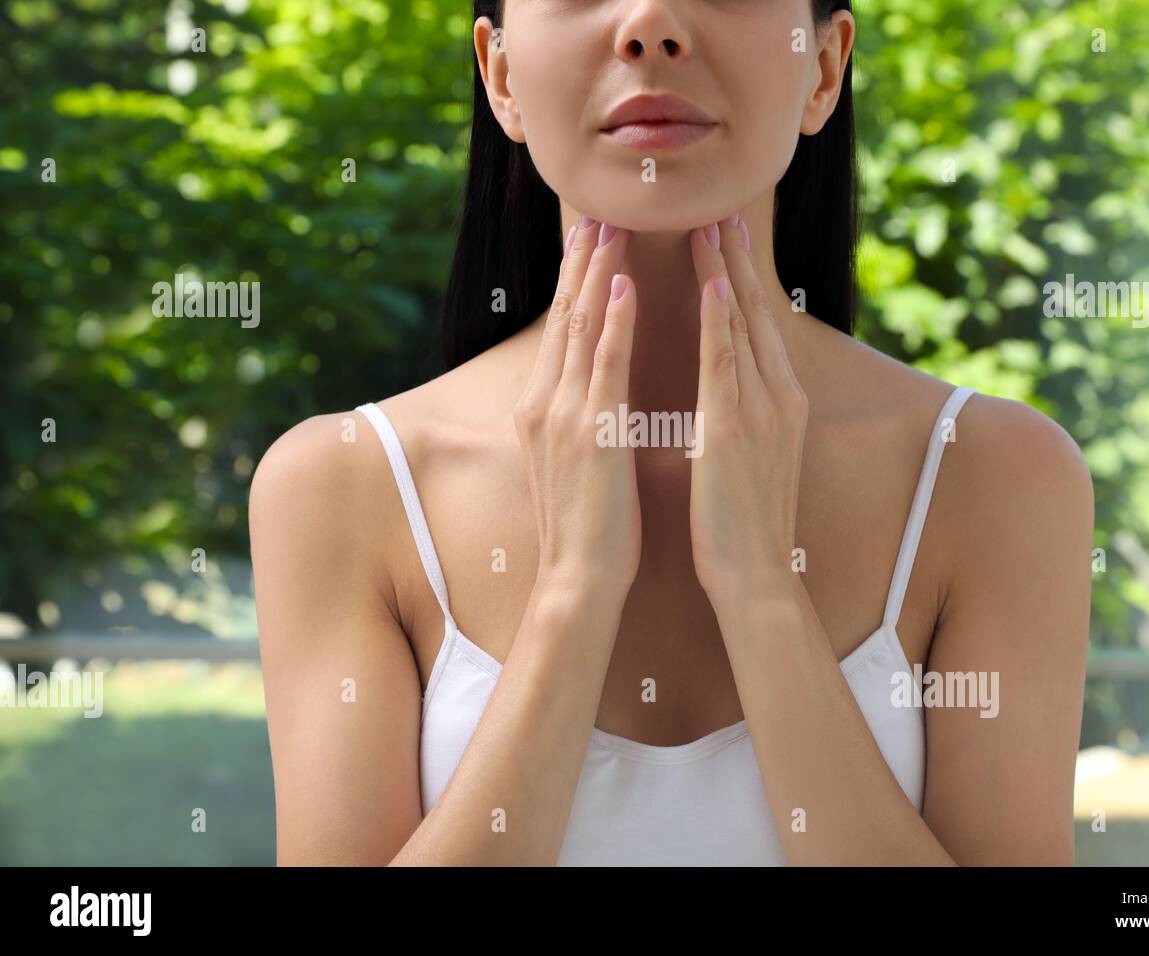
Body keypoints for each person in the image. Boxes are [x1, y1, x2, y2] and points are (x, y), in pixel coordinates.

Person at [249, 0, 1094, 866]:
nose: (651, 24)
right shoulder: (343, 484)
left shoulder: (994, 476)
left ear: (825, 67)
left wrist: (763, 588)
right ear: (499, 72)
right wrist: (573, 593)